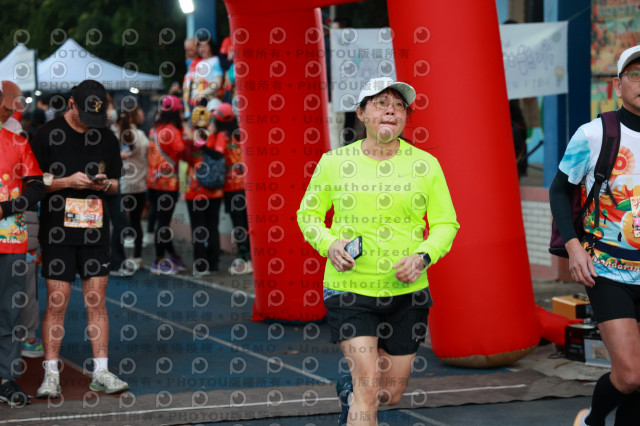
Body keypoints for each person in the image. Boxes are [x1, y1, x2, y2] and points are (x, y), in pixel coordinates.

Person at [297, 77, 459, 426]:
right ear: (361, 113)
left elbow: (446, 223)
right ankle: (357, 393)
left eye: (399, 105)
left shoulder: (426, 165)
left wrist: (423, 257)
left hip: (407, 294)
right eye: (380, 103)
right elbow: (308, 215)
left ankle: (349, 392)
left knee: (390, 394)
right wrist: (329, 243)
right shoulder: (334, 163)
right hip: (349, 289)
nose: (391, 110)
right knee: (368, 389)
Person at [550, 45, 640, 426]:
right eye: (635, 75)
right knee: (632, 374)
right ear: (618, 85)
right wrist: (574, 248)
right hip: (607, 269)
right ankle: (592, 419)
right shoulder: (594, 134)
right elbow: (559, 190)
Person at [31, 80, 129, 398]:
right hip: (57, 231)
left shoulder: (107, 137)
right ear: (71, 103)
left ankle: (101, 371)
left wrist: (103, 185)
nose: (90, 123)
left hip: (94, 229)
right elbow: (33, 183)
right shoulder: (46, 135)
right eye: (85, 115)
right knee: (57, 301)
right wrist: (66, 182)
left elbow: (116, 183)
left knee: (96, 300)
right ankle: (51, 374)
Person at [0, 95, 45, 407]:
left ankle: (6, 378)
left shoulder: (17, 142)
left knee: (9, 311)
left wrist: (6, 207)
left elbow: (37, 186)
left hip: (10, 239)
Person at [147, 95, 188, 275]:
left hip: (152, 181)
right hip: (168, 184)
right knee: (163, 223)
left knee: (161, 221)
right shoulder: (173, 131)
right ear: (176, 112)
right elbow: (183, 152)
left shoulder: (154, 129)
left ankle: (173, 255)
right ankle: (158, 260)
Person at [211, 103, 252, 275]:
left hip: (232, 187)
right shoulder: (242, 133)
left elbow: (215, 154)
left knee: (238, 223)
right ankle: (251, 256)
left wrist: (211, 134)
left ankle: (244, 258)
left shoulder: (222, 136)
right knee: (248, 222)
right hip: (248, 186)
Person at [183, 106, 223, 275]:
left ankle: (200, 266)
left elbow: (184, 157)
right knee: (213, 226)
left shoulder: (189, 138)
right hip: (214, 191)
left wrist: (191, 139)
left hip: (194, 190)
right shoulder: (216, 136)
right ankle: (213, 264)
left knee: (198, 228)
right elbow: (220, 155)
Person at [116, 102, 149, 270]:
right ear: (133, 116)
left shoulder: (116, 135)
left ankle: (121, 258)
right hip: (140, 186)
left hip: (122, 186)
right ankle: (137, 258)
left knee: (121, 223)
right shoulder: (142, 136)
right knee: (136, 222)